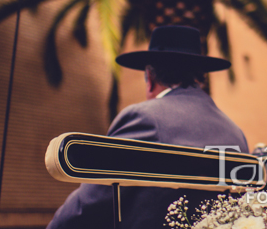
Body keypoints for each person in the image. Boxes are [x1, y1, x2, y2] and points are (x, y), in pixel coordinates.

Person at [46, 25, 249, 229]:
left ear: (150, 79)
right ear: (199, 77)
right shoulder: (236, 133)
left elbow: (92, 201)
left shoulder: (145, 118)